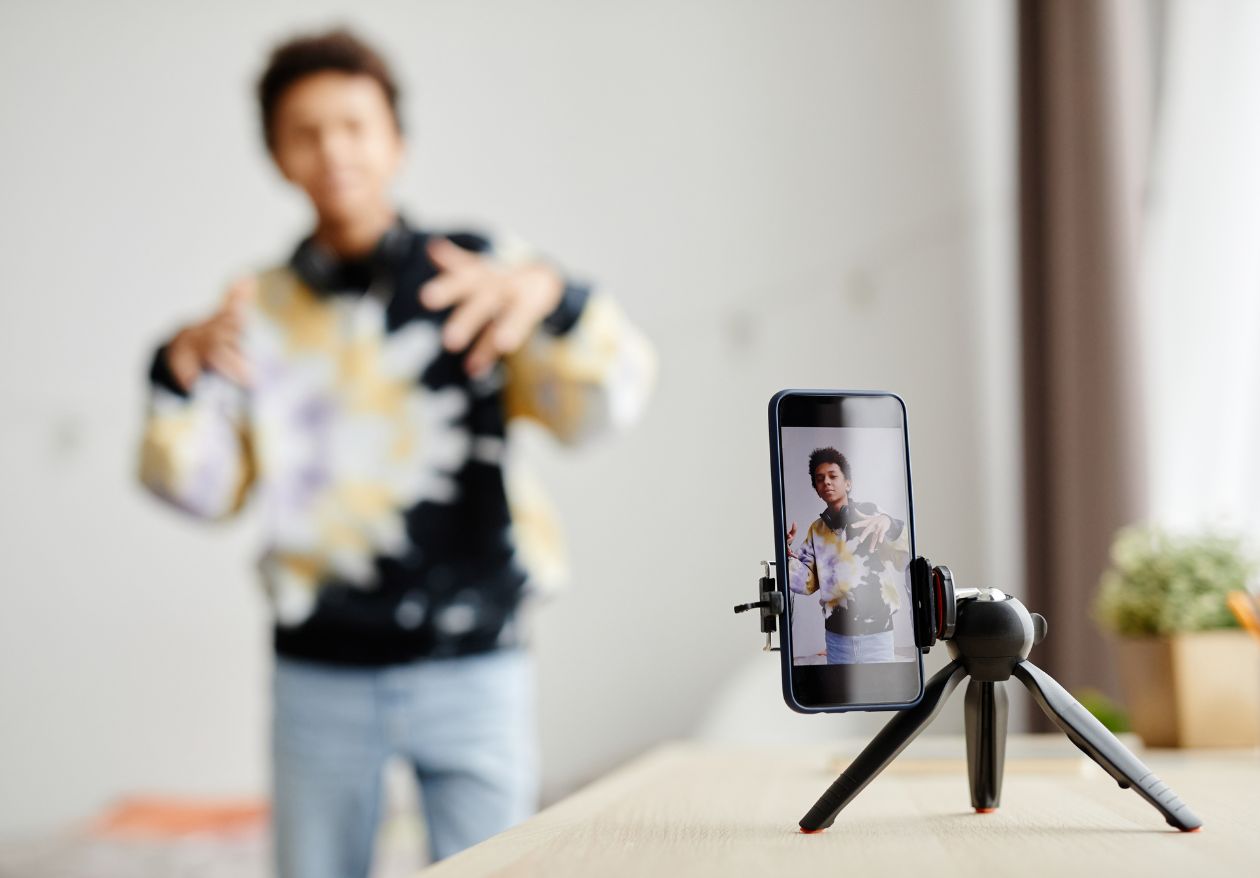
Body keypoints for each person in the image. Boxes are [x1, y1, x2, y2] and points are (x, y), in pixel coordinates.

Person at [136, 28, 654, 877]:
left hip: (477, 662)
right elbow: (203, 490)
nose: (333, 150)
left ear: (396, 141)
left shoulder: (480, 270)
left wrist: (557, 297)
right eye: (306, 132)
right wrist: (173, 378)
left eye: (355, 126)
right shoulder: (255, 310)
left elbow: (600, 409)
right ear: (277, 155)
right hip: (319, 674)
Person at [785, 447, 910, 664]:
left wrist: (890, 524)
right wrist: (785, 553)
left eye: (833, 476)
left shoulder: (872, 514)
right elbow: (805, 583)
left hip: (878, 635)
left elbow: (905, 556)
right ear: (817, 489)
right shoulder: (816, 530)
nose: (826, 482)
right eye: (820, 479)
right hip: (837, 640)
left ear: (848, 483)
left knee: (880, 687)